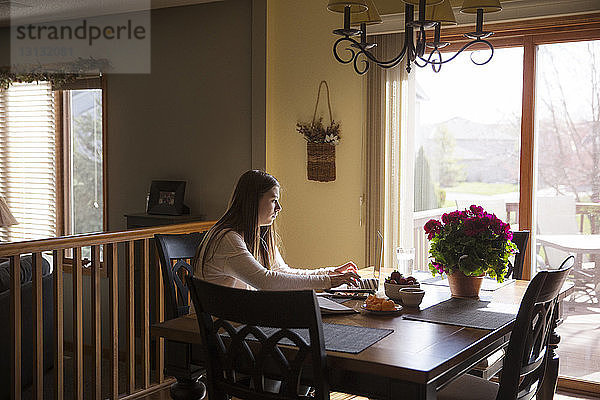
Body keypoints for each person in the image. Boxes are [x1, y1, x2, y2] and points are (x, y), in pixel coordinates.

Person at [193, 170, 360, 290]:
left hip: (239, 323)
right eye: (273, 200)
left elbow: (281, 272)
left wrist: (329, 273)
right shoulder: (227, 238)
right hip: (223, 330)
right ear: (252, 202)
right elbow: (266, 282)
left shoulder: (257, 233)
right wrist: (327, 281)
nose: (279, 208)